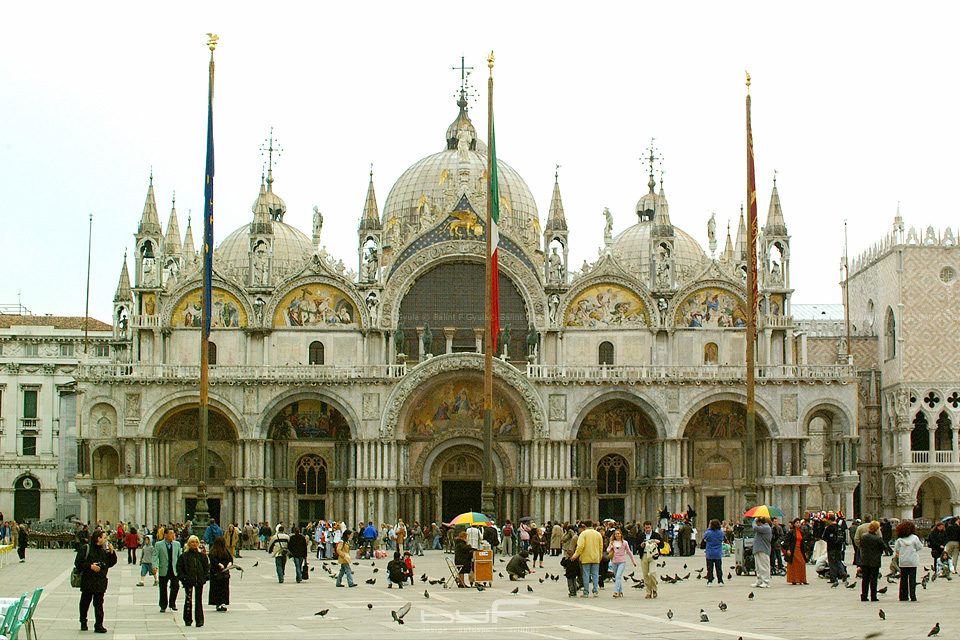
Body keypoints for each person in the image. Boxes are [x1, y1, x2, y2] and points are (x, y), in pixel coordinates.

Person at [75, 528, 118, 633]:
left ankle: (99, 624)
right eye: (104, 538)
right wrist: (90, 566)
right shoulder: (86, 548)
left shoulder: (103, 551)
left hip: (100, 582)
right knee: (85, 602)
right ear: (98, 538)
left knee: (99, 604)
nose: (106, 540)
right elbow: (78, 563)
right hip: (88, 581)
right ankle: (83, 621)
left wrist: (112, 553)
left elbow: (110, 563)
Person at [176, 535, 209, 627]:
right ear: (188, 544)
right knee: (188, 599)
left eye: (195, 542)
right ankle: (187, 619)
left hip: (199, 580)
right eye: (192, 542)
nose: (194, 544)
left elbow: (206, 567)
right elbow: (179, 568)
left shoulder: (201, 556)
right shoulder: (184, 556)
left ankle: (199, 620)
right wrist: (183, 578)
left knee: (199, 600)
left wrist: (205, 577)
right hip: (188, 581)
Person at [572, 521, 603, 597]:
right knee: (595, 574)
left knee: (586, 575)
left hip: (586, 557)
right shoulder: (598, 534)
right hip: (596, 557)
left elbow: (580, 546)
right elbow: (601, 547)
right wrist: (600, 556)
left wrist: (575, 556)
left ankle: (586, 592)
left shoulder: (583, 534)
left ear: (585, 526)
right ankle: (595, 591)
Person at [154, 527, 182, 612]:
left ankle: (172, 603)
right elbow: (155, 556)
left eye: (173, 534)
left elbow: (179, 556)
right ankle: (163, 605)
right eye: (170, 534)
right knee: (163, 588)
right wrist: (154, 566)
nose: (172, 535)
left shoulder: (177, 544)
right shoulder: (159, 544)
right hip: (164, 568)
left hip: (174, 569)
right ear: (165, 535)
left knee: (175, 586)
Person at [894, 520, 922, 602]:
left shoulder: (900, 540)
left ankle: (903, 595)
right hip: (912, 561)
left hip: (903, 561)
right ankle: (913, 595)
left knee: (903, 579)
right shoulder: (915, 538)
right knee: (912, 579)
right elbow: (919, 547)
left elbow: (897, 549)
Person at [605, 529, 636, 598]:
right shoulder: (612, 542)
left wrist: (633, 561)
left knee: (618, 576)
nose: (617, 535)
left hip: (622, 561)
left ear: (621, 534)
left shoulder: (625, 543)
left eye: (618, 534)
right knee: (617, 577)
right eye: (616, 534)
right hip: (614, 561)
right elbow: (607, 550)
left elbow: (629, 552)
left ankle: (616, 591)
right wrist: (611, 548)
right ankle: (620, 591)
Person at [858, 521, 884, 602]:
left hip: (864, 560)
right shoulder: (878, 538)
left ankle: (864, 595)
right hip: (875, 561)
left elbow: (860, 545)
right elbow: (883, 547)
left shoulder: (863, 537)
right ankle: (873, 596)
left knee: (865, 579)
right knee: (873, 579)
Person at [638, 521, 663, 599]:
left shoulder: (656, 535)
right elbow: (636, 546)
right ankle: (648, 591)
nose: (647, 529)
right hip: (644, 555)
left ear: (651, 527)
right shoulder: (641, 535)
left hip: (653, 555)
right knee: (645, 574)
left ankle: (654, 589)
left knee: (652, 573)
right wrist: (641, 545)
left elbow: (662, 545)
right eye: (646, 528)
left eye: (648, 527)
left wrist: (657, 542)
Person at [208, 536, 233, 612]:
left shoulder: (225, 550)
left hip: (224, 572)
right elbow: (213, 560)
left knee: (224, 589)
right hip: (216, 573)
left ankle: (222, 603)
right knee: (217, 589)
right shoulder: (213, 552)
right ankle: (218, 603)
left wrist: (229, 564)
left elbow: (230, 559)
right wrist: (218, 564)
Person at [822, 514, 847, 584]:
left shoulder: (829, 528)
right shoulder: (840, 527)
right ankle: (843, 573)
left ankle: (833, 578)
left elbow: (824, 538)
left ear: (830, 520)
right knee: (838, 561)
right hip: (839, 547)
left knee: (832, 562)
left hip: (831, 547)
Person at [783, 518, 808, 585]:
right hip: (793, 549)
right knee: (793, 565)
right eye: (797, 523)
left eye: (799, 523)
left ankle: (802, 579)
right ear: (794, 524)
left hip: (800, 549)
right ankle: (794, 579)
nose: (798, 524)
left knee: (802, 563)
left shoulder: (801, 531)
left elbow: (803, 542)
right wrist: (788, 549)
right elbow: (787, 541)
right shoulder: (791, 532)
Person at [703, 519, 725, 586]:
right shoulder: (721, 533)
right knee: (719, 568)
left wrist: (709, 529)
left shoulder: (708, 533)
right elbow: (723, 538)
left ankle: (710, 581)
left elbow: (705, 537)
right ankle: (720, 581)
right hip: (718, 553)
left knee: (710, 568)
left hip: (710, 553)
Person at [751, 517, 772, 588]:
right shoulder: (762, 528)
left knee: (764, 566)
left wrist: (754, 520)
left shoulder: (766, 528)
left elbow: (754, 528)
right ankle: (759, 580)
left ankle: (766, 581)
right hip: (758, 549)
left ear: (760, 522)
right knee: (758, 566)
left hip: (763, 549)